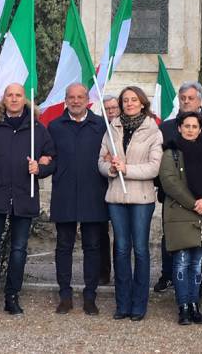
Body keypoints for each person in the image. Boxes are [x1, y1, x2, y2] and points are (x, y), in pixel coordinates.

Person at [0, 83, 54, 317]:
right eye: (10, 95)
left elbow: (52, 160)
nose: (15, 99)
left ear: (25, 99)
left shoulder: (37, 129)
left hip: (24, 196)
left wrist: (40, 167)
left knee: (18, 250)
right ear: (4, 99)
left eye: (19, 95)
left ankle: (12, 297)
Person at [98, 86, 162, 322]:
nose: (129, 103)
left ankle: (139, 304)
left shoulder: (153, 130)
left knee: (141, 250)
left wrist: (128, 169)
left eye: (134, 99)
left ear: (142, 103)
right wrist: (112, 169)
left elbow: (154, 167)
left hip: (141, 199)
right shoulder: (112, 128)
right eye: (125, 100)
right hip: (116, 197)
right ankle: (122, 303)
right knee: (122, 249)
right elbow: (101, 161)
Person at [47, 83, 108, 316]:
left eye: (80, 97)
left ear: (87, 99)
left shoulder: (101, 126)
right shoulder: (55, 126)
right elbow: (49, 158)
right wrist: (41, 166)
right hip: (64, 194)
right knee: (64, 246)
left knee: (93, 247)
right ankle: (65, 295)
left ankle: (90, 296)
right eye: (71, 97)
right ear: (65, 99)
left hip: (94, 194)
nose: (75, 101)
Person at [159, 111, 202, 325]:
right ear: (179, 128)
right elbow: (169, 182)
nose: (190, 130)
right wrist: (194, 203)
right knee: (181, 262)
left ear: (200, 129)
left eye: (194, 126)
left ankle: (195, 305)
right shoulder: (171, 153)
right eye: (186, 126)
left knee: (197, 264)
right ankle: (183, 306)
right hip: (181, 212)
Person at [154, 81, 202, 294]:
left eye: (191, 98)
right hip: (172, 194)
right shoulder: (166, 127)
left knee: (199, 236)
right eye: (183, 98)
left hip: (200, 195)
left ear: (200, 101)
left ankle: (199, 280)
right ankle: (168, 275)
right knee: (171, 236)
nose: (186, 101)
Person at [99, 94, 120, 285]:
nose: (111, 111)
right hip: (101, 186)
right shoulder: (99, 128)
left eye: (114, 108)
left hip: (122, 187)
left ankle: (120, 273)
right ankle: (103, 272)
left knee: (121, 235)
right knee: (101, 233)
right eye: (107, 109)